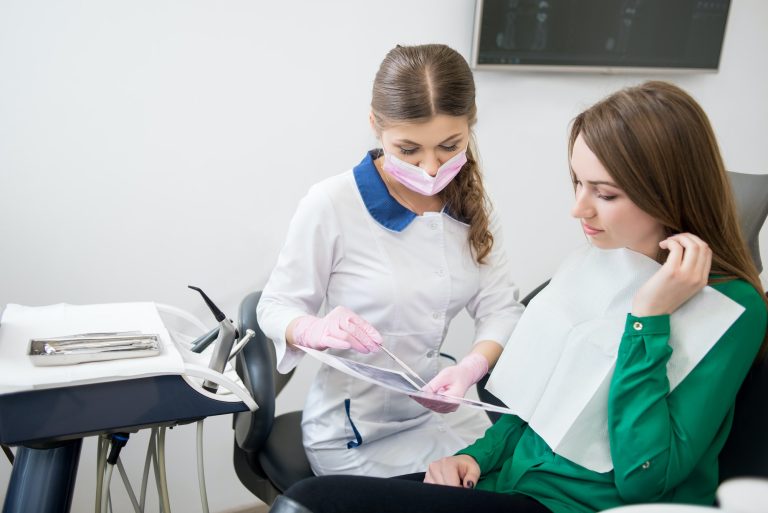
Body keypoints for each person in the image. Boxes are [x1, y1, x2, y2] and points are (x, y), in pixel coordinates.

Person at [267, 81, 768, 513]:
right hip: (503, 481)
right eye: (577, 183)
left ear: (670, 191)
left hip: (569, 505)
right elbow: (538, 407)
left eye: (605, 193)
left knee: (310, 505)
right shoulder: (600, 262)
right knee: (308, 500)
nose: (578, 209)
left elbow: (643, 476)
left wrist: (647, 321)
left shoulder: (734, 310)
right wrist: (475, 458)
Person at [256, 43, 524, 477]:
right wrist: (315, 329)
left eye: (449, 146)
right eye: (409, 150)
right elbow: (275, 307)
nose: (432, 167)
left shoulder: (470, 201)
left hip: (443, 411)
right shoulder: (332, 203)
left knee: (515, 486)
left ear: (470, 125)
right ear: (375, 127)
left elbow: (502, 309)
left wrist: (472, 368)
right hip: (355, 430)